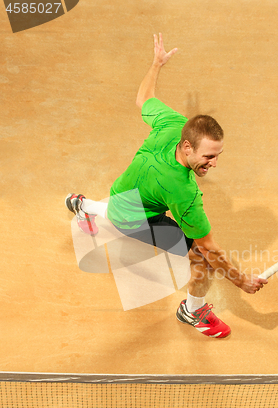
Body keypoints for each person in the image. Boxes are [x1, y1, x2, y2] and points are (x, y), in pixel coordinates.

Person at [66, 33, 267, 339]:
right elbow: (210, 250)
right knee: (200, 259)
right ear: (188, 147)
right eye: (209, 156)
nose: (214, 163)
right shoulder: (184, 193)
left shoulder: (174, 123)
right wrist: (242, 282)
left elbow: (143, 98)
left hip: (124, 190)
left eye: (217, 155)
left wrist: (156, 64)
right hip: (134, 214)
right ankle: (192, 310)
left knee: (116, 208)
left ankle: (82, 205)